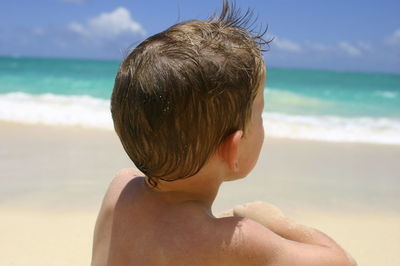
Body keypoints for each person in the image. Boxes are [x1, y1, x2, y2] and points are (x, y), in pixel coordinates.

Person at [91, 1, 357, 265]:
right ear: (233, 148)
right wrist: (275, 222)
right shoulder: (238, 241)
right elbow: (342, 261)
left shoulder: (120, 189)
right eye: (260, 114)